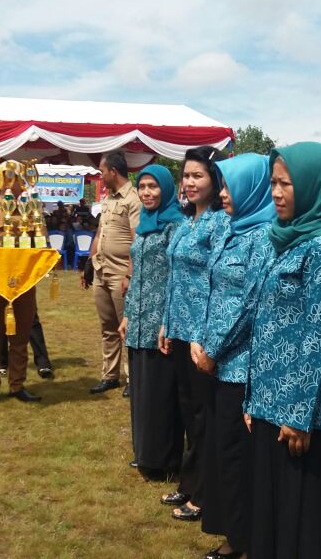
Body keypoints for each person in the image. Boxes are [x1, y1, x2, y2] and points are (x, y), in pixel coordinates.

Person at [234, 142, 321, 557]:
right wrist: (254, 397)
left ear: (314, 186)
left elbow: (316, 336)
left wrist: (297, 415)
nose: (276, 192)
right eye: (273, 182)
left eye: (286, 183)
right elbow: (267, 325)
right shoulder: (289, 240)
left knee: (297, 515)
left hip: (301, 409)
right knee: (271, 510)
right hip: (270, 398)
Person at [192, 153, 276, 559]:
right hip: (217, 358)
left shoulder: (264, 237)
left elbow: (249, 305)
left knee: (237, 454)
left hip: (241, 364)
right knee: (223, 449)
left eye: (229, 186)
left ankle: (243, 540)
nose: (222, 193)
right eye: (221, 185)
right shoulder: (233, 228)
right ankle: (233, 530)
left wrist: (214, 349)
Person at [159, 146, 230, 522]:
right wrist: (167, 324)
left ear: (214, 180)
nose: (188, 182)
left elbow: (218, 282)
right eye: (185, 175)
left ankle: (203, 493)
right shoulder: (186, 221)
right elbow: (176, 279)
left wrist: (207, 336)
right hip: (181, 329)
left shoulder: (219, 223)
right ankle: (189, 483)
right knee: (188, 412)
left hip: (202, 332)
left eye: (197, 175)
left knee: (204, 415)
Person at [119, 164, 186, 482]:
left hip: (162, 324)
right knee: (142, 392)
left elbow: (179, 279)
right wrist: (128, 314)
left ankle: (165, 458)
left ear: (166, 189)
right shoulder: (144, 225)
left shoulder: (176, 226)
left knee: (162, 395)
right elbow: (137, 275)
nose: (146, 192)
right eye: (142, 186)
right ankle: (145, 452)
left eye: (153, 187)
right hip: (139, 321)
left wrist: (169, 320)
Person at [0, 178, 43, 407]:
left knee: (21, 337)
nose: (11, 184)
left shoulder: (32, 207)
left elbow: (41, 244)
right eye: (6, 178)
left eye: (15, 180)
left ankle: (17, 385)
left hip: (23, 284)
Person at [84, 151, 141, 395]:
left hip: (120, 272)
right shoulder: (107, 199)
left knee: (125, 327)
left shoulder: (133, 199)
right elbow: (99, 233)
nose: (101, 176)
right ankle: (110, 375)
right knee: (107, 326)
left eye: (102, 171)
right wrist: (89, 262)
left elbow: (136, 239)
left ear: (113, 172)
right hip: (102, 270)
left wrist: (130, 274)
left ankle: (132, 378)